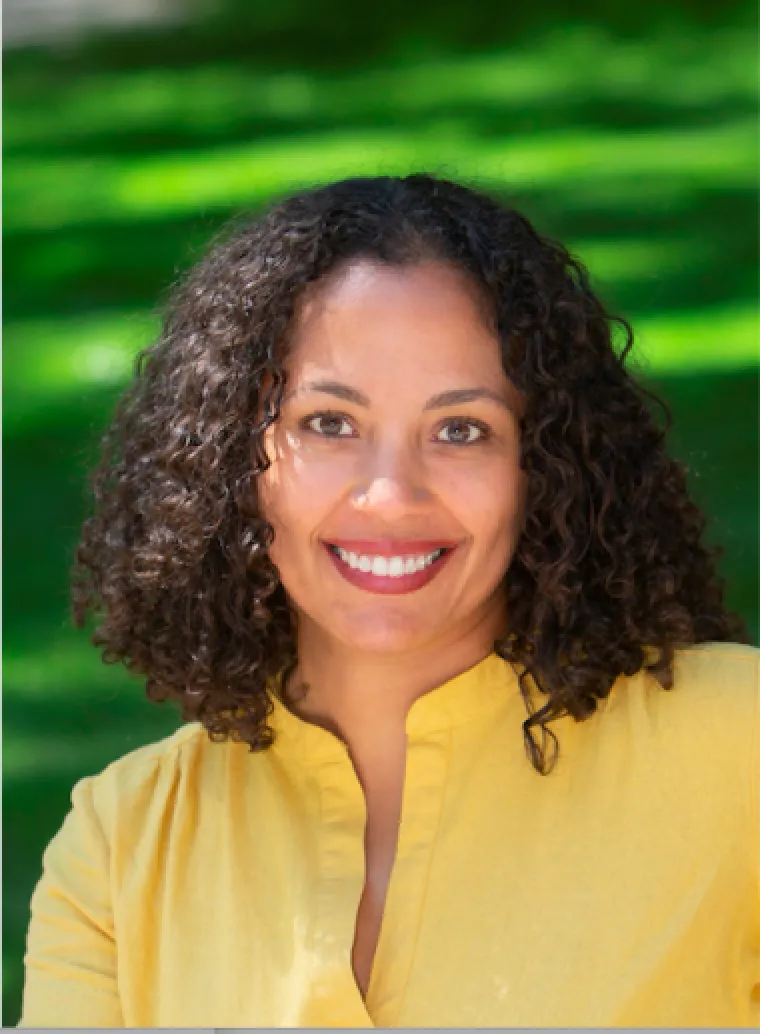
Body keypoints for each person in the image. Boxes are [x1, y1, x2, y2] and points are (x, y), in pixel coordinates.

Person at [19, 174, 758, 1028]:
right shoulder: (120, 850)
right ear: (232, 462)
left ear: (543, 472)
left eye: (461, 430)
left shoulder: (737, 750)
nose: (390, 494)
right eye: (328, 423)